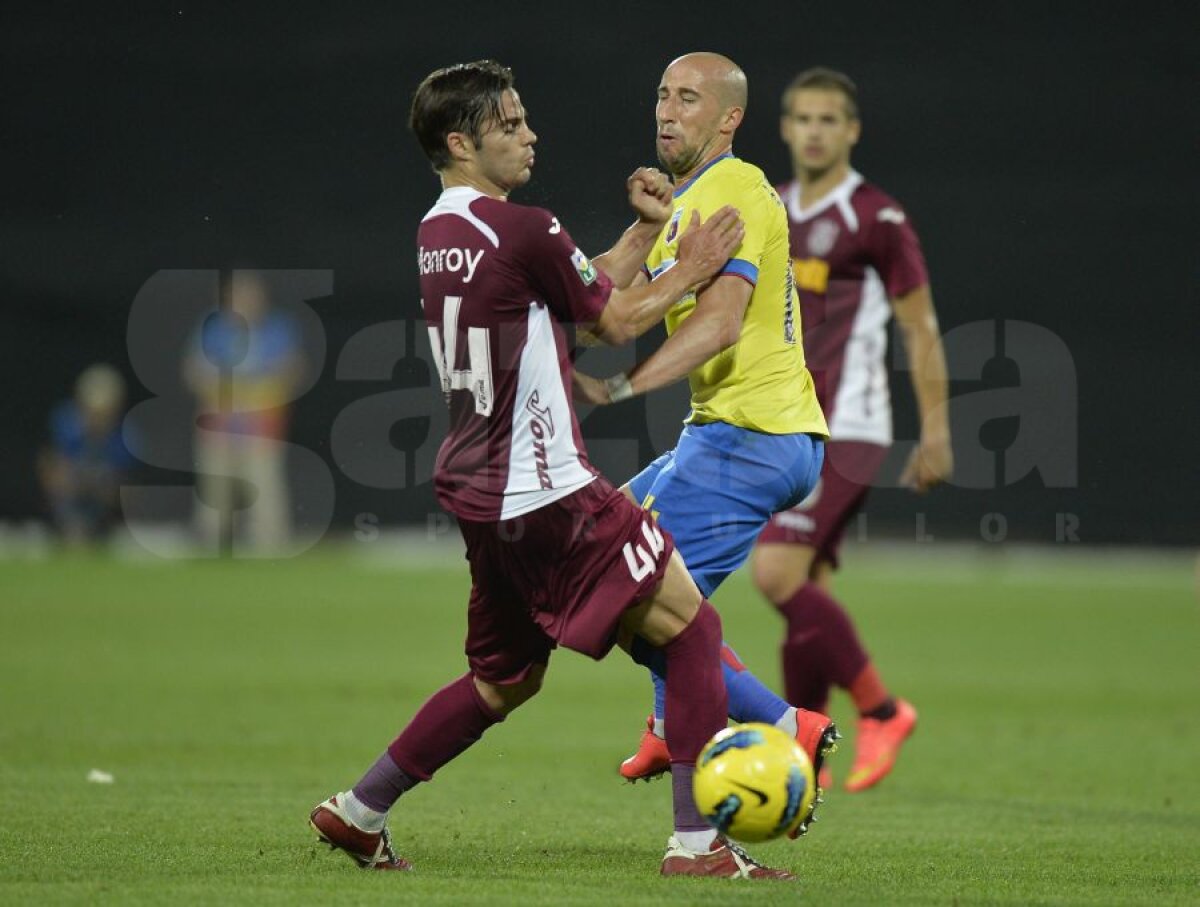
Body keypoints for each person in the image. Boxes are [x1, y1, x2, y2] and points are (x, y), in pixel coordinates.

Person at [309, 59, 797, 881]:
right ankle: (697, 844)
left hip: (476, 488)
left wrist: (644, 233)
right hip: (550, 494)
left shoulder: (441, 231)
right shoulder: (523, 226)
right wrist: (695, 262)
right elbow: (615, 319)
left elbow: (574, 287)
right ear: (462, 142)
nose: (530, 133)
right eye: (509, 124)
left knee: (503, 682)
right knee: (693, 628)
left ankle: (359, 810)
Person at [573, 53, 836, 834]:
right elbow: (597, 305)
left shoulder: (736, 190)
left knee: (625, 593)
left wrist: (624, 388)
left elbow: (721, 320)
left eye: (689, 99)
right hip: (728, 434)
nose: (667, 112)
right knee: (594, 552)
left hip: (754, 436)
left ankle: (791, 730)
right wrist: (645, 229)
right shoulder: (684, 200)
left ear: (729, 119)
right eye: (661, 95)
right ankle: (667, 719)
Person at [750, 67, 953, 792]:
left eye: (828, 119)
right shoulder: (767, 206)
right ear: (783, 127)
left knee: (773, 572)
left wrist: (936, 431)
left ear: (852, 130)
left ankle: (883, 708)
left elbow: (920, 327)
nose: (814, 130)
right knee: (807, 587)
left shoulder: (878, 219)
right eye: (802, 117)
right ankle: (809, 753)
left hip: (849, 425)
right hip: (783, 421)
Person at [182, 271, 304, 552]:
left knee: (264, 487)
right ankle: (211, 545)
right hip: (219, 424)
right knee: (215, 491)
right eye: (238, 295)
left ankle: (270, 546)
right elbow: (194, 371)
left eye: (251, 294)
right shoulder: (213, 328)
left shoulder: (277, 328)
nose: (245, 301)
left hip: (261, 424)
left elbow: (292, 370)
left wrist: (253, 391)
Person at [38, 363, 134, 545]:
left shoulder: (126, 436)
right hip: (70, 497)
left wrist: (99, 487)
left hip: (102, 503)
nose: (98, 419)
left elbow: (124, 487)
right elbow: (51, 469)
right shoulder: (65, 425)